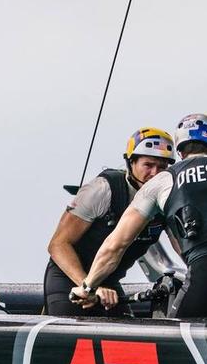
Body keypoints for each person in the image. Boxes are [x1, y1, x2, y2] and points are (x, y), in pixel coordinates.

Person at [70, 113, 207, 317]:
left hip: (205, 278)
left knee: (177, 356)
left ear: (180, 150)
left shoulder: (163, 180)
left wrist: (87, 287)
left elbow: (116, 245)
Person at [44, 128, 175, 316]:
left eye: (162, 167)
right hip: (71, 282)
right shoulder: (102, 189)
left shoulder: (165, 197)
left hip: (108, 284)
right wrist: (88, 286)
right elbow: (58, 244)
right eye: (148, 165)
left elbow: (184, 248)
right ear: (131, 162)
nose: (155, 173)